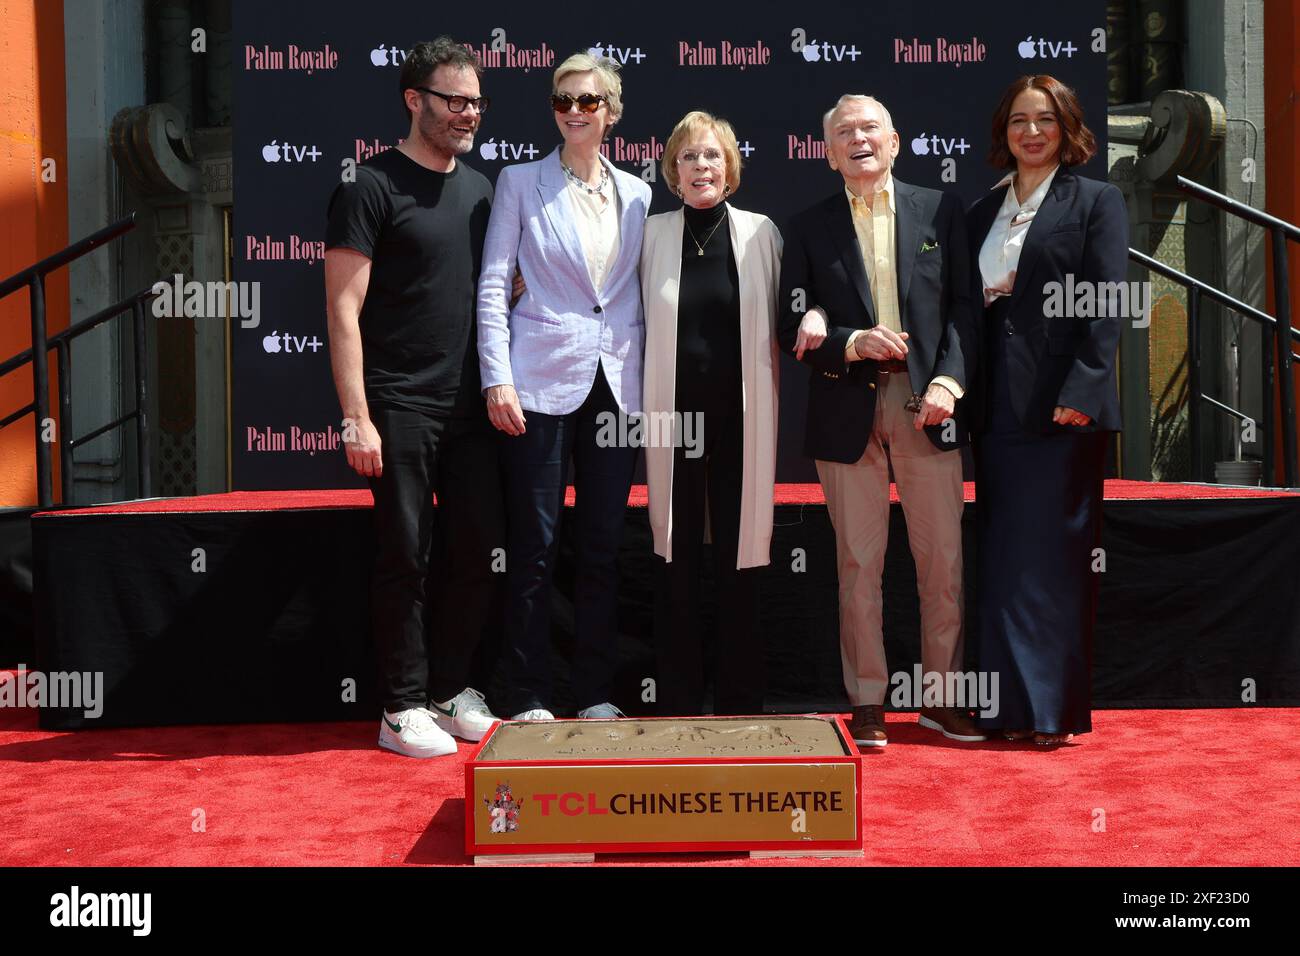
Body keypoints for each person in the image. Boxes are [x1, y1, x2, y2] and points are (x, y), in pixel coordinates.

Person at [777, 94, 981, 748]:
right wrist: (846, 340)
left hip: (929, 407)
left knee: (942, 560)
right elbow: (791, 325)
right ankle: (866, 699)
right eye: (844, 132)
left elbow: (964, 311)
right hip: (846, 409)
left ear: (895, 142)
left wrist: (949, 380)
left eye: (869, 129)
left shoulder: (942, 210)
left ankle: (941, 699)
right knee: (859, 563)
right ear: (829, 152)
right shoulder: (807, 226)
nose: (857, 139)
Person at [324, 38, 505, 757]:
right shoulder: (368, 187)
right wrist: (356, 416)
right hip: (397, 403)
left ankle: (449, 689)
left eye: (476, 103)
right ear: (414, 100)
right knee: (406, 552)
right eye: (453, 100)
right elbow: (342, 309)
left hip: (473, 408)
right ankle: (399, 705)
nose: (467, 114)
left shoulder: (485, 191)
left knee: (478, 549)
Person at [476, 53, 652, 721]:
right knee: (535, 545)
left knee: (603, 546)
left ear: (610, 111)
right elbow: (494, 284)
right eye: (561, 100)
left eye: (586, 100)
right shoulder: (521, 182)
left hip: (618, 384)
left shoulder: (638, 193)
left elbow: (632, 293)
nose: (573, 111)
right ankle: (526, 693)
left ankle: (596, 694)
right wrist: (498, 376)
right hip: (538, 382)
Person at [966, 75, 1126, 746]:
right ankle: (1003, 709)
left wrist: (1083, 392)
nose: (1032, 132)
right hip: (996, 404)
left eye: (1046, 120)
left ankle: (1051, 712)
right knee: (1003, 555)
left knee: (1056, 560)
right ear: (1004, 132)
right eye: (1019, 121)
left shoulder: (1096, 200)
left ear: (1067, 127)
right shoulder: (981, 210)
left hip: (1063, 406)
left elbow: (1108, 301)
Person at [641, 111, 782, 717]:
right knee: (674, 557)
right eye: (690, 157)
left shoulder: (761, 233)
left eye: (713, 156)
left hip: (741, 422)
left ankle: (740, 699)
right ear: (673, 171)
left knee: (739, 555)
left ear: (732, 168)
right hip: (671, 422)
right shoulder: (650, 236)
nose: (702, 166)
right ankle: (676, 697)